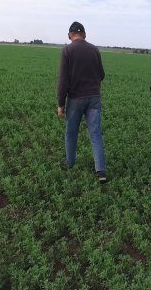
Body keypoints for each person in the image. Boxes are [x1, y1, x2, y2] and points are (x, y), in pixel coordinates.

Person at [57, 21, 108, 183]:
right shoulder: (94, 50)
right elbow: (101, 75)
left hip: (76, 98)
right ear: (85, 35)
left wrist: (61, 104)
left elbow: (63, 80)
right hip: (94, 97)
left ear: (69, 35)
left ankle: (70, 164)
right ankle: (101, 171)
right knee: (95, 133)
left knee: (71, 132)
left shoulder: (67, 50)